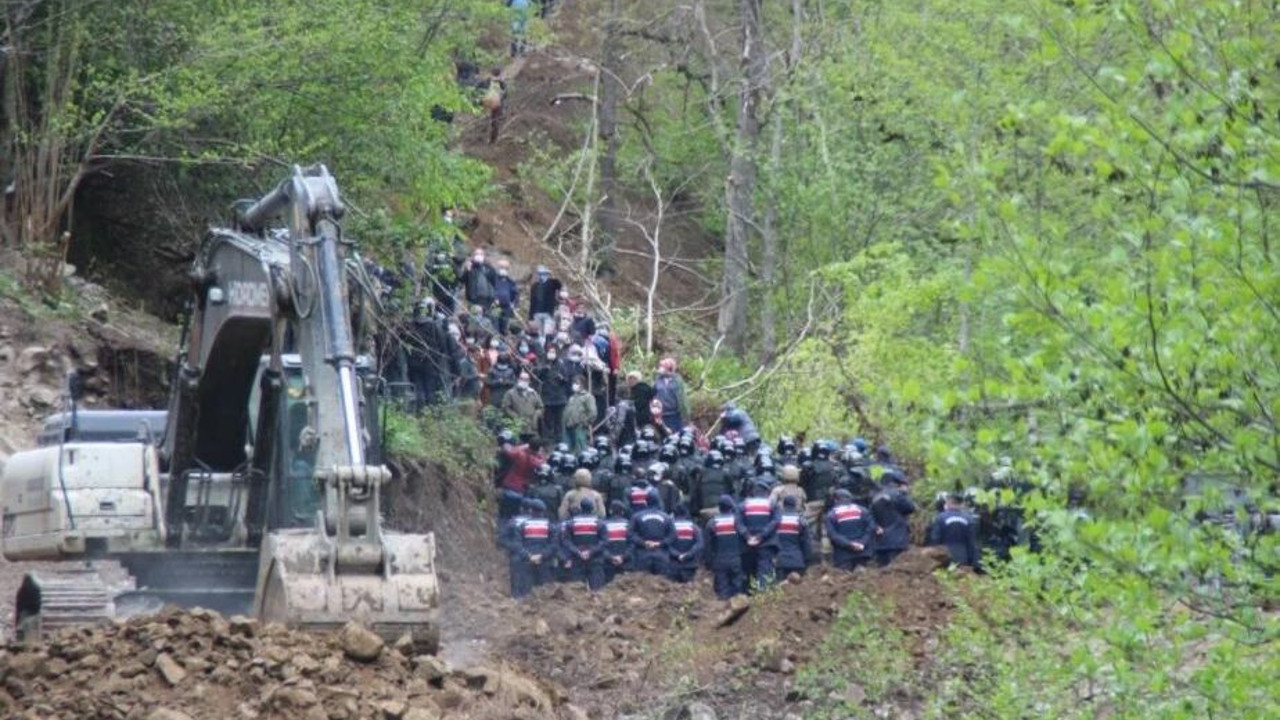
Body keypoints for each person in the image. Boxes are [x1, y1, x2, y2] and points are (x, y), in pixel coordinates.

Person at [510, 498, 556, 598]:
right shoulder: (550, 527)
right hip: (544, 562)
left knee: (525, 591)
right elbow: (553, 545)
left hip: (526, 561)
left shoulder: (522, 526)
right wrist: (542, 555)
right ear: (543, 511)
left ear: (531, 510)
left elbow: (517, 544)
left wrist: (528, 556)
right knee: (544, 592)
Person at [738, 482, 780, 592]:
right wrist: (761, 535)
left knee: (749, 571)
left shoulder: (743, 505)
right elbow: (776, 521)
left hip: (747, 544)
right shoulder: (772, 505)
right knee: (765, 570)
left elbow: (738, 523)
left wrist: (747, 535)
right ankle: (762, 595)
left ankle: (748, 594)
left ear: (753, 492)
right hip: (767, 543)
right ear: (766, 492)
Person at [703, 495, 746, 599]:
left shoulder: (712, 523)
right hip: (736, 559)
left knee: (722, 591)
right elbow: (745, 539)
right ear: (731, 506)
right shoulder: (738, 521)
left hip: (719, 561)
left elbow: (708, 546)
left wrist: (709, 563)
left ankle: (723, 605)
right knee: (737, 590)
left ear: (719, 507)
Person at [870, 470, 916, 567]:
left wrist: (876, 527)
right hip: (897, 540)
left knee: (882, 570)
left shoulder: (876, 497)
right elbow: (911, 508)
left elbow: (870, 517)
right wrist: (904, 494)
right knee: (897, 570)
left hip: (881, 542)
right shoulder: (897, 495)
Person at [927, 493, 982, 571]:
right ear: (961, 504)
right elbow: (972, 543)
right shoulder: (969, 519)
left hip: (944, 559)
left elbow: (935, 539)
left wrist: (933, 557)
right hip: (963, 560)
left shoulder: (940, 518)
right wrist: (974, 563)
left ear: (949, 503)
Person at [561, 499, 606, 590]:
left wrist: (578, 552)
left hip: (577, 559)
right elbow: (604, 541)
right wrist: (590, 552)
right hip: (595, 559)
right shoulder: (600, 523)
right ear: (592, 509)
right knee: (597, 590)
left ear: (581, 508)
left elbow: (566, 541)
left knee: (577, 590)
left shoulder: (571, 523)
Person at [825, 489, 876, 570]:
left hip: (843, 555)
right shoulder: (863, 510)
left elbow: (833, 535)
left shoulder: (831, 515)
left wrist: (849, 544)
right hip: (863, 553)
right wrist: (862, 543)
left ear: (835, 500)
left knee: (845, 577)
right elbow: (871, 528)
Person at [629, 495, 675, 577]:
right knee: (663, 582)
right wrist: (660, 543)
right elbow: (672, 535)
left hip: (642, 554)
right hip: (661, 554)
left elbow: (630, 534)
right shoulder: (667, 518)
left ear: (645, 502)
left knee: (641, 581)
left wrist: (643, 543)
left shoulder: (636, 516)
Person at [775, 496, 815, 577]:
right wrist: (808, 560)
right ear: (795, 505)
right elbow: (806, 542)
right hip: (797, 561)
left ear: (783, 504)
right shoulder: (801, 520)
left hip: (779, 561)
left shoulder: (776, 519)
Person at [691, 450, 732, 521]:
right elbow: (731, 494)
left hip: (704, 513)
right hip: (721, 512)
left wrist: (697, 512)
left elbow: (695, 496)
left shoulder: (701, 476)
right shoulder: (726, 475)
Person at [502, 371, 544, 438]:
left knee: (534, 443)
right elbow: (506, 407)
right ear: (518, 380)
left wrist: (536, 416)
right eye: (522, 379)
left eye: (526, 379)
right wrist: (516, 417)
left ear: (529, 381)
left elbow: (541, 407)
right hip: (516, 427)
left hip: (532, 428)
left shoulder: (533, 393)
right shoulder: (510, 393)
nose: (524, 381)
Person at [667, 504, 703, 583]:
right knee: (688, 588)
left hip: (672, 564)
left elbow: (666, 544)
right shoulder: (694, 527)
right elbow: (699, 544)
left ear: (674, 514)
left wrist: (677, 555)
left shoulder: (669, 528)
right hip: (690, 565)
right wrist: (688, 554)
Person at [601, 500, 633, 583]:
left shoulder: (603, 525)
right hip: (626, 562)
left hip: (607, 562)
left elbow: (601, 545)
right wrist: (622, 557)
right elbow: (632, 544)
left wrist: (611, 557)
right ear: (622, 512)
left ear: (610, 511)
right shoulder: (628, 525)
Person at [652, 358, 688, 430]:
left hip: (674, 415)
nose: (660, 369)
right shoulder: (657, 380)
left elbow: (683, 398)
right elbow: (653, 395)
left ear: (668, 368)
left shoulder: (677, 380)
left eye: (662, 367)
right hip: (660, 415)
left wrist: (685, 414)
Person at [563, 377, 597, 451]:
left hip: (579, 428)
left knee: (580, 448)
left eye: (577, 383)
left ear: (582, 384)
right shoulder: (572, 397)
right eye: (574, 383)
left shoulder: (588, 397)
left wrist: (584, 423)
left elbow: (593, 413)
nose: (574, 385)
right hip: (569, 427)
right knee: (569, 449)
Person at [528, 266, 563, 336]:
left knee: (547, 333)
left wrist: (552, 276)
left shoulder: (551, 283)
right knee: (539, 334)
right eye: (540, 274)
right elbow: (532, 301)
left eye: (543, 274)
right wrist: (530, 317)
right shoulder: (534, 286)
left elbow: (559, 285)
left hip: (548, 313)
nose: (541, 276)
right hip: (537, 313)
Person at [493, 259, 519, 335]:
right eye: (501, 267)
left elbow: (516, 294)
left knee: (504, 326)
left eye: (505, 268)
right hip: (495, 306)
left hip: (507, 307)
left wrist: (514, 304)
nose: (503, 270)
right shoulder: (494, 280)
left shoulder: (511, 282)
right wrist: (494, 299)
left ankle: (503, 339)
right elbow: (490, 291)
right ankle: (495, 339)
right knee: (495, 325)